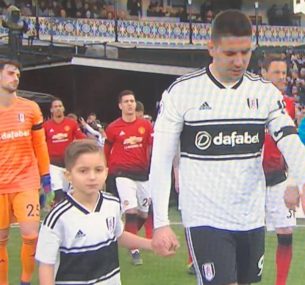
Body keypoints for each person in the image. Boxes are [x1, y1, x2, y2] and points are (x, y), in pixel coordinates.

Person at [149, 10, 305, 285]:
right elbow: (160, 160)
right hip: (205, 217)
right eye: (231, 53)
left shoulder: (265, 93)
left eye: (245, 52)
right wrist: (161, 221)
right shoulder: (182, 93)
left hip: (250, 217)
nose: (239, 61)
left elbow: (290, 141)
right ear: (212, 48)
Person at [35, 139, 153, 284]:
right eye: (83, 171)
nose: (92, 177)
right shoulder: (58, 218)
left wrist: (151, 244)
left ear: (106, 172)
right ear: (68, 176)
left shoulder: (112, 204)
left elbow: (119, 235)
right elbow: (46, 264)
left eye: (98, 170)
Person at [0, 57, 50, 285]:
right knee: (1, 240)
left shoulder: (30, 108)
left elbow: (40, 145)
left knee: (31, 235)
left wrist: (46, 178)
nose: (16, 77)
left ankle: (25, 281)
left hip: (26, 182)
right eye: (11, 73)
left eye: (18, 74)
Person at [104, 90, 154, 265]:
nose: (130, 104)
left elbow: (153, 147)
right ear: (120, 106)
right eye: (126, 101)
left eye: (132, 101)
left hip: (143, 175)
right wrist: (105, 169)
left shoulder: (146, 126)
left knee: (143, 213)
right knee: (130, 211)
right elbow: (106, 150)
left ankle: (125, 237)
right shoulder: (113, 128)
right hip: (122, 174)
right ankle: (134, 251)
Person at [261, 53, 298, 285]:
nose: (282, 77)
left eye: (284, 73)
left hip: (277, 178)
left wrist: (293, 181)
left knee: (285, 234)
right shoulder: (247, 100)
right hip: (250, 181)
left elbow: (292, 145)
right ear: (263, 73)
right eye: (276, 72)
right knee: (246, 235)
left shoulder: (290, 105)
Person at [43, 98, 86, 204]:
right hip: (53, 164)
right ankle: (58, 215)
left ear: (63, 108)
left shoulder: (71, 123)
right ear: (51, 110)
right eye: (55, 107)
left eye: (60, 106)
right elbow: (41, 143)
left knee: (68, 194)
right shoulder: (46, 125)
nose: (58, 109)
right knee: (58, 194)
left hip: (68, 164)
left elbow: (81, 139)